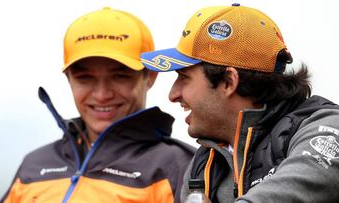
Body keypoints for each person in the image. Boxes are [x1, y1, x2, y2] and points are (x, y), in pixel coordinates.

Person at [141, 4, 339, 203]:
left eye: (184, 77)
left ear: (229, 81)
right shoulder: (202, 165)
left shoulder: (324, 127)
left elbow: (296, 191)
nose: (173, 95)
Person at [1, 7, 195, 203]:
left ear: (150, 77)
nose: (102, 95)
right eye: (85, 78)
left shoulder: (181, 167)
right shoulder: (33, 167)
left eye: (119, 76)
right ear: (69, 79)